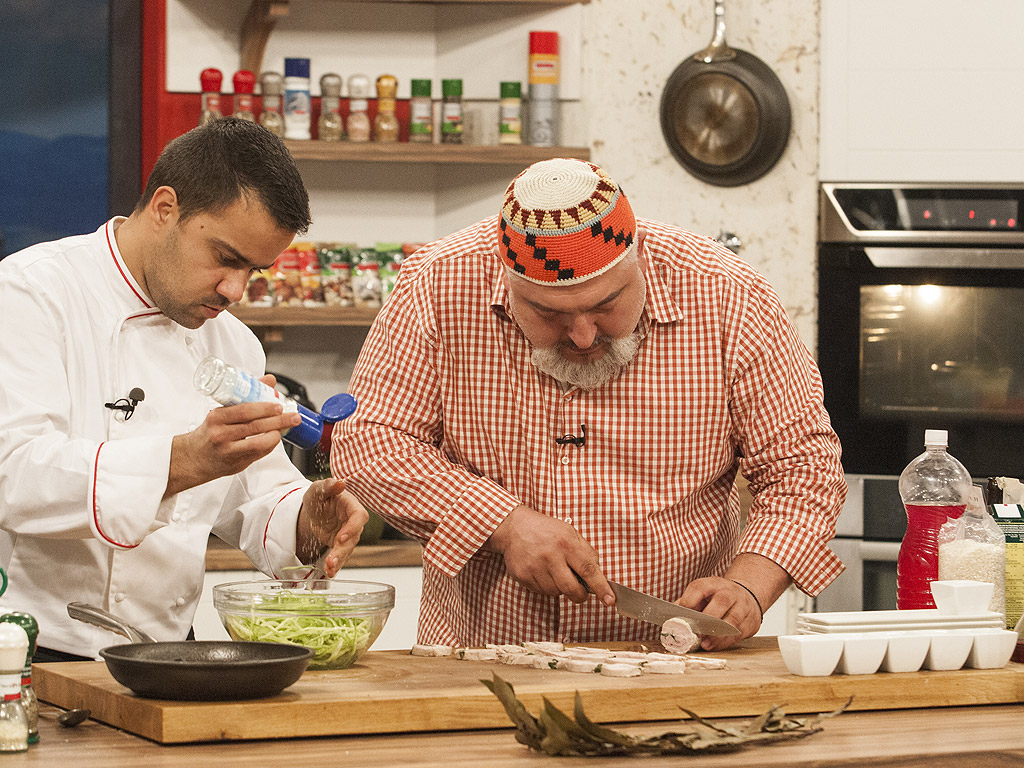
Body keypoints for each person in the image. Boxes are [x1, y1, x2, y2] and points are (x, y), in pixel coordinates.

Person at [333, 158, 846, 651]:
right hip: (484, 660)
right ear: (508, 283)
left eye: (606, 305)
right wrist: (502, 524)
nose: (581, 336)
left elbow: (802, 467)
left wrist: (750, 587)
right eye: (547, 312)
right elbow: (368, 443)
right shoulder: (440, 285)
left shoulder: (729, 295)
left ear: (637, 258)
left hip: (679, 660)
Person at [0, 118, 368, 660]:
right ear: (165, 208)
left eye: (255, 272)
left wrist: (307, 517)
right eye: (225, 258)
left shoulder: (234, 344)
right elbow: (15, 472)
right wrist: (182, 462)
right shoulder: (33, 293)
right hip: (33, 649)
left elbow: (253, 495)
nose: (235, 290)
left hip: (165, 653)